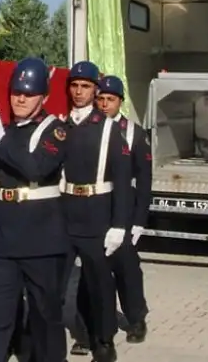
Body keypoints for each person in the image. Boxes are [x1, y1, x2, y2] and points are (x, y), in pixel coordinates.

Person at [0, 57, 69, 362]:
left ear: (44, 98)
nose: (20, 98)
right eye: (16, 92)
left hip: (42, 238)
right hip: (1, 239)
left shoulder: (56, 130)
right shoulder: (1, 130)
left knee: (45, 318)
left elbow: (36, 167)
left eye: (29, 93)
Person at [60, 63, 131, 361]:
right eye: (74, 85)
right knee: (53, 283)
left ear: (95, 90)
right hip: (62, 212)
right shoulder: (58, 125)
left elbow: (124, 182)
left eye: (85, 86)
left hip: (96, 213)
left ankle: (104, 339)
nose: (79, 91)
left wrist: (119, 225)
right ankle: (80, 334)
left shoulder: (109, 128)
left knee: (99, 283)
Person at [94, 75, 151, 344]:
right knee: (97, 271)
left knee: (127, 269)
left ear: (120, 102)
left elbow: (144, 179)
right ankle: (97, 327)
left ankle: (136, 318)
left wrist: (140, 219)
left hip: (125, 211)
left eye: (110, 100)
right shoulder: (90, 129)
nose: (105, 104)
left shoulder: (134, 133)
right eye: (101, 99)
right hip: (97, 210)